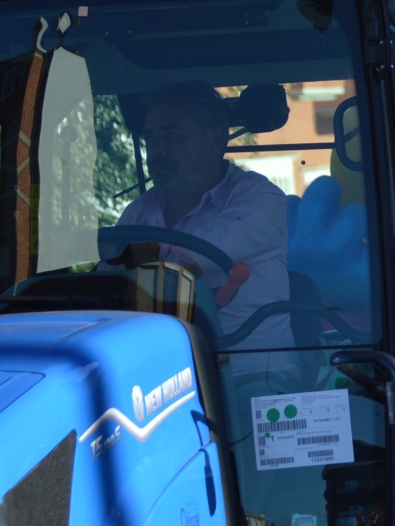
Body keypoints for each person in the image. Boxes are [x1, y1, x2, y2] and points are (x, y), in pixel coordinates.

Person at [118, 82, 295, 370]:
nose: (157, 150)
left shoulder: (261, 199)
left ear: (214, 140)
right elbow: (106, 286)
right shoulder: (138, 213)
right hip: (163, 377)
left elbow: (192, 258)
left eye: (172, 136)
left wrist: (129, 263)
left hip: (254, 380)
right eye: (150, 138)